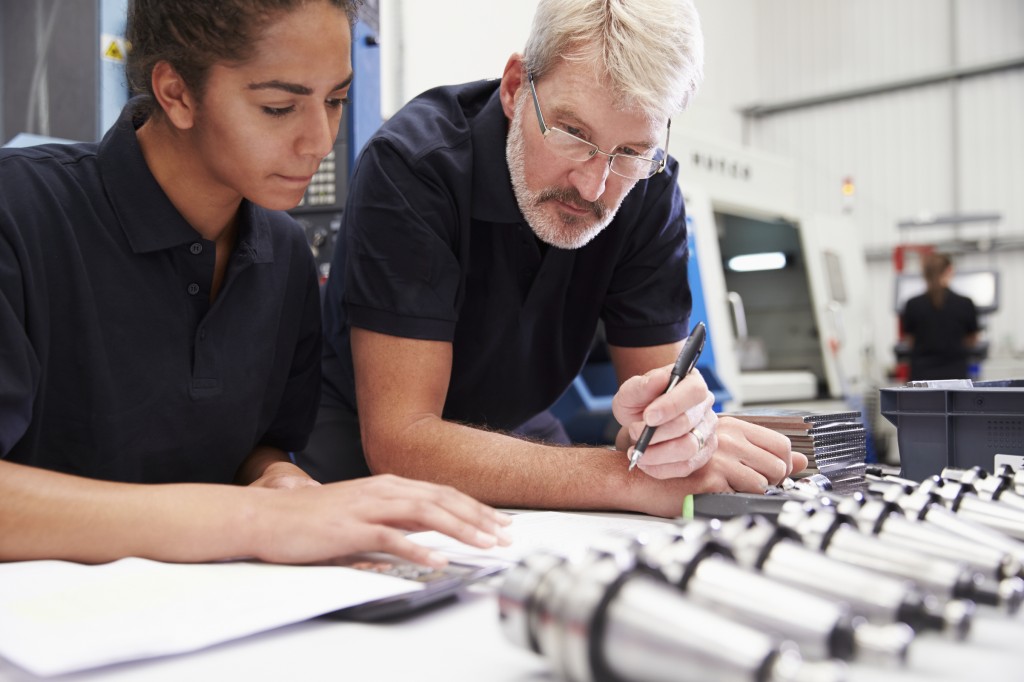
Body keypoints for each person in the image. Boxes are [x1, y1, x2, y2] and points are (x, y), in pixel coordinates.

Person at [0, 0, 510, 566]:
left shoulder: (283, 251)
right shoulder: (20, 214)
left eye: (336, 100)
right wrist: (255, 520)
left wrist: (280, 480)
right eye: (278, 107)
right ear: (176, 93)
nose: (319, 140)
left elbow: (256, 446)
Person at [303, 0, 807, 518]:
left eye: (631, 152)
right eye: (573, 134)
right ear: (515, 86)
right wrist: (625, 479)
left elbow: (658, 422)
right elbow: (403, 441)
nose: (595, 186)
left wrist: (682, 435)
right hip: (364, 439)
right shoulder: (414, 169)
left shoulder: (648, 190)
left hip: (516, 427)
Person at [901, 252, 980, 381]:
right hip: (955, 377)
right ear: (949, 271)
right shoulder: (965, 303)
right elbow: (972, 340)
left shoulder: (912, 304)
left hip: (921, 378)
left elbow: (910, 341)